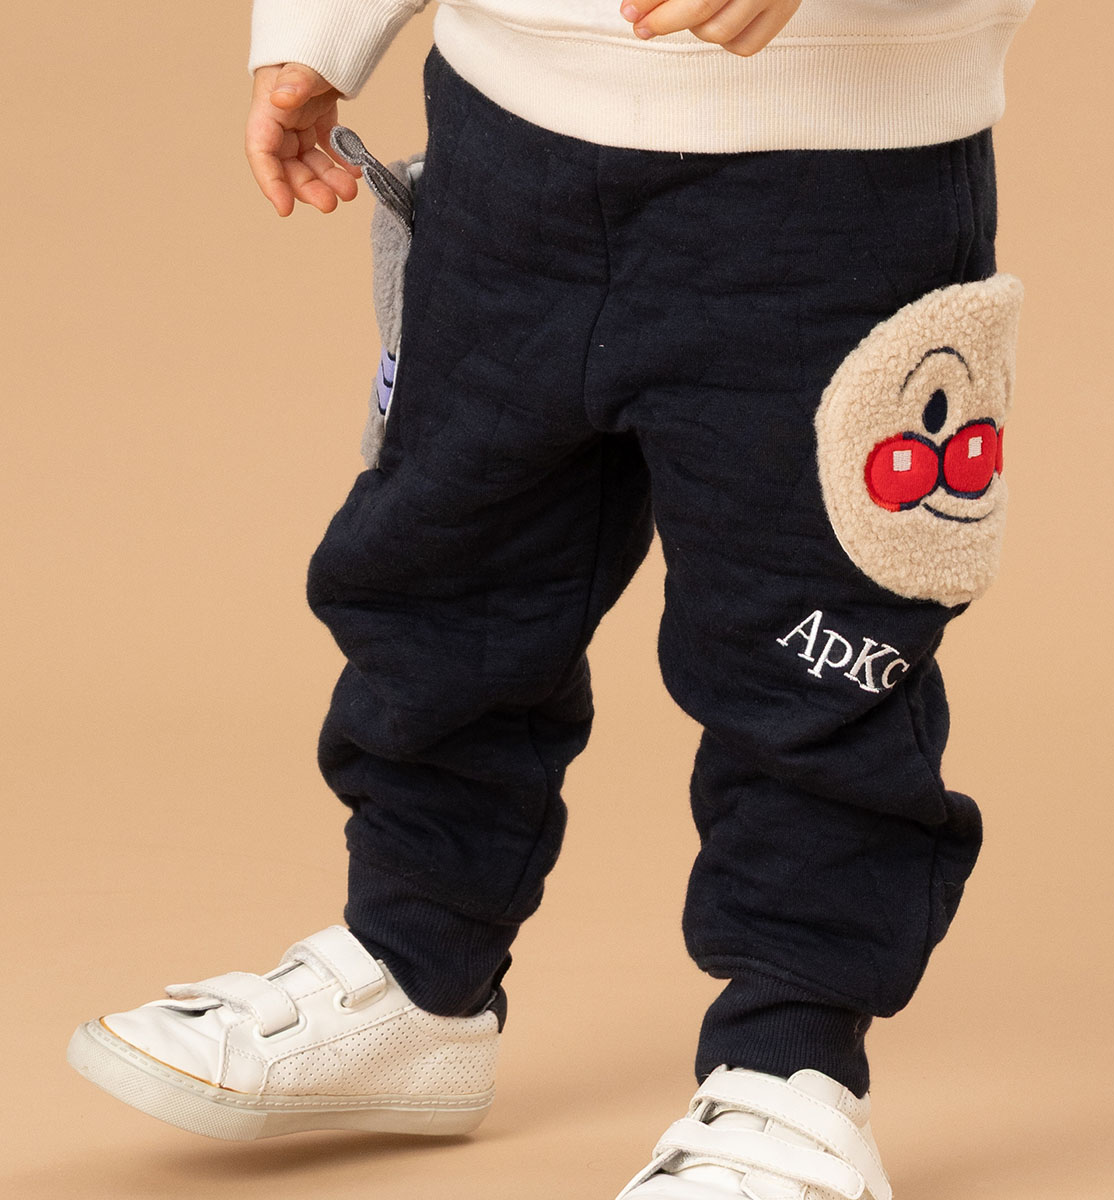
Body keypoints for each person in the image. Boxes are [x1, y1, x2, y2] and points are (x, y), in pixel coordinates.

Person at [67, 2, 1033, 1195]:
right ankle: (416, 969)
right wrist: (321, 29)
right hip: (507, 151)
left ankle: (795, 1067)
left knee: (812, 647)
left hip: (837, 184)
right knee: (444, 580)